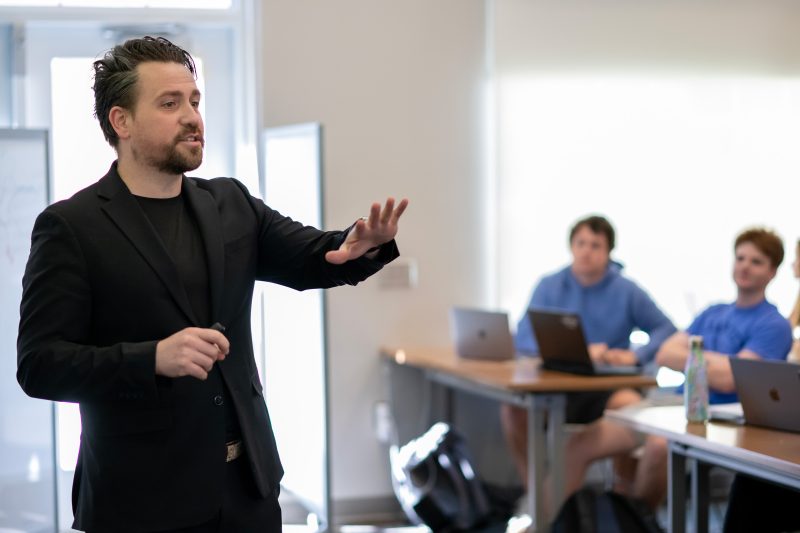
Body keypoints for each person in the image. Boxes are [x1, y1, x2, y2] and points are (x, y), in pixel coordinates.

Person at [16, 36, 408, 533]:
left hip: (247, 492)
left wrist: (357, 246)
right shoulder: (71, 227)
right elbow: (40, 364)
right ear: (122, 121)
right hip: (141, 502)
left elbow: (315, 256)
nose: (192, 116)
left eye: (195, 101)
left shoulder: (229, 204)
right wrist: (152, 358)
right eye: (169, 103)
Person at [563, 228, 792, 510]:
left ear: (772, 272)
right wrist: (718, 362)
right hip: (672, 407)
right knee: (580, 445)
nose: (744, 266)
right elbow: (665, 354)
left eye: (756, 261)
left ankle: (637, 522)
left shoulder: (773, 324)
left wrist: (695, 355)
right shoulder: (713, 312)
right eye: (740, 258)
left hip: (716, 420)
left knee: (659, 447)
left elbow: (732, 381)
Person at [501, 215, 675, 489]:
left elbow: (666, 328)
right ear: (571, 247)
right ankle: (534, 492)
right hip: (555, 386)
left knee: (632, 409)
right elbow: (524, 337)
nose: (587, 251)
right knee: (513, 411)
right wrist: (572, 350)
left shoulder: (626, 290)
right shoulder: (549, 285)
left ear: (608, 252)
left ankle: (623, 505)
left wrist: (636, 355)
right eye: (581, 243)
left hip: (607, 388)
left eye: (595, 245)